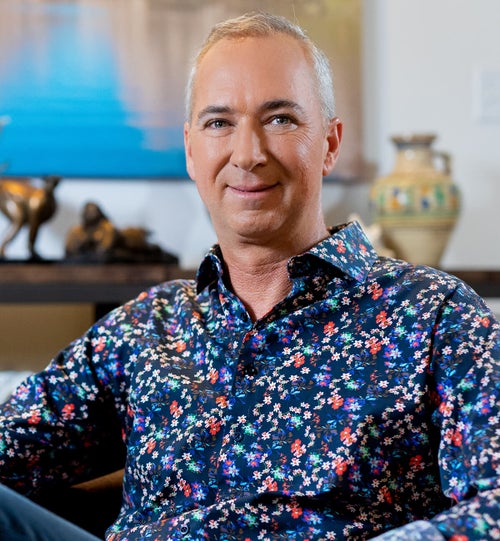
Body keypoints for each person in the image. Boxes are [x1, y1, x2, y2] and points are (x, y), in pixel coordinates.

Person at [0, 11, 499, 541]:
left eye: (280, 119)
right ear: (192, 150)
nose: (249, 154)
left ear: (330, 143)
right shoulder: (144, 329)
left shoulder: (433, 314)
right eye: (219, 123)